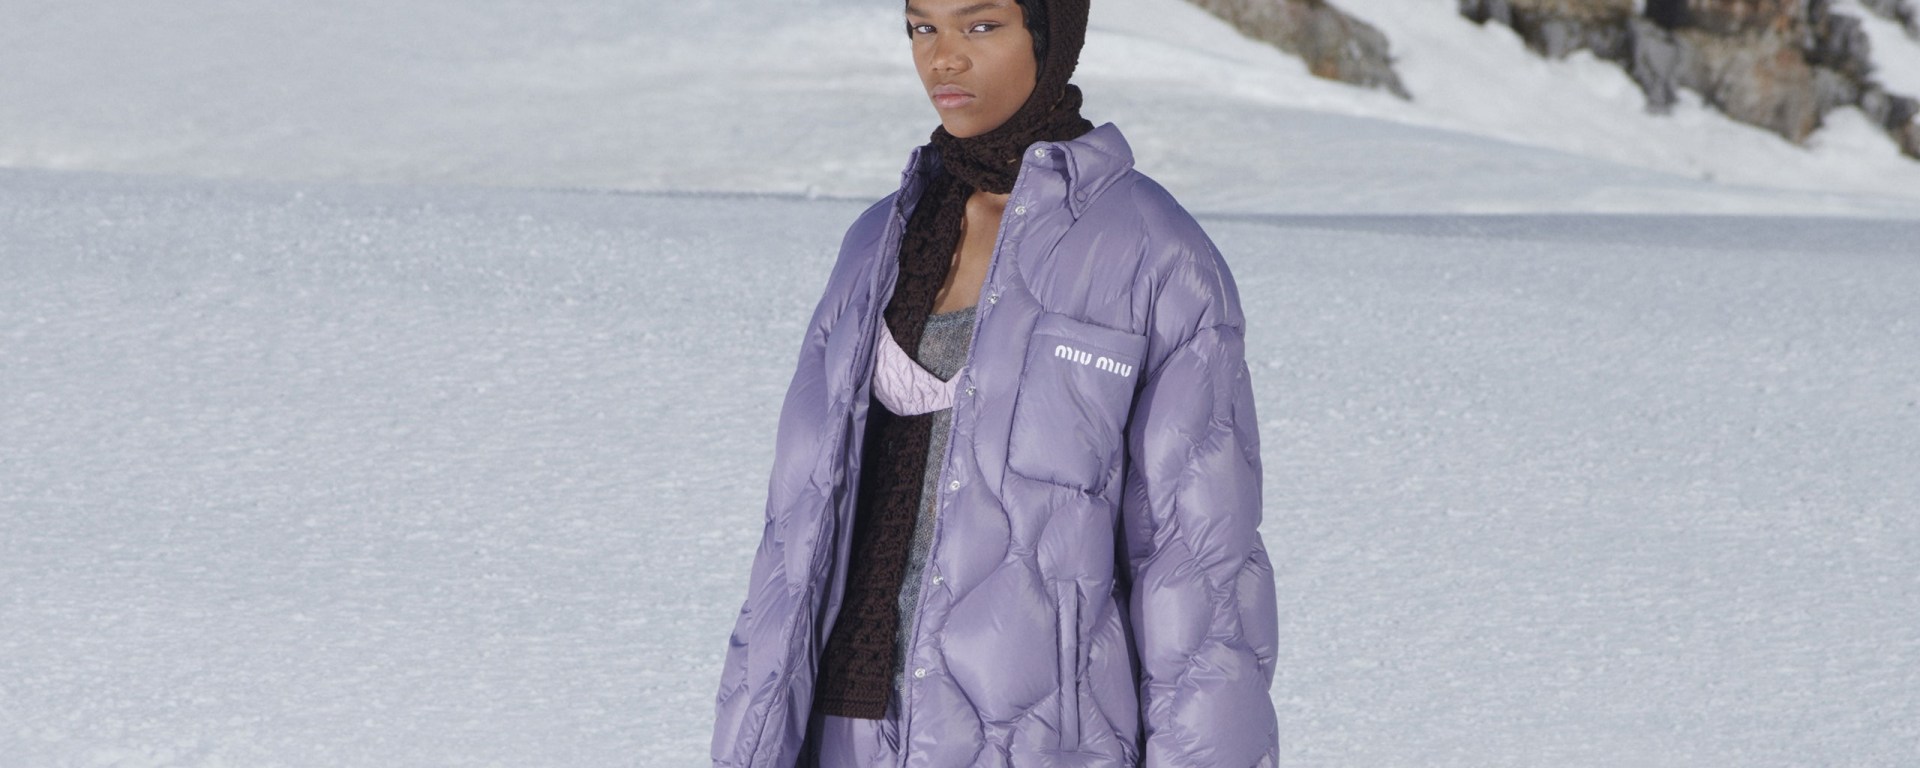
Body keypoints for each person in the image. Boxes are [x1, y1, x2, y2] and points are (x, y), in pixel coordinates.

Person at [710, 0, 1277, 764]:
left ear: (1049, 34)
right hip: (841, 729)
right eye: (923, 27)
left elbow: (1200, 574)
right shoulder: (877, 241)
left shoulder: (1153, 253)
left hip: (1036, 740)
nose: (943, 57)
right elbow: (793, 534)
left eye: (981, 26)